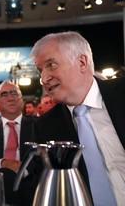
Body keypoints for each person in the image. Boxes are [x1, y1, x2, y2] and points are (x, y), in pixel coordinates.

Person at [30, 31, 125, 205]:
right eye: (40, 71)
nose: (44, 78)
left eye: (51, 65)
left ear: (82, 62)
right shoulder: (45, 128)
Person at [0, 80, 38, 206]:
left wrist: (23, 170)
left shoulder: (37, 126)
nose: (10, 98)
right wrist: (3, 162)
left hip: (30, 186)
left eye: (14, 93)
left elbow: (42, 157)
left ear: (21, 99)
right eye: (4, 94)